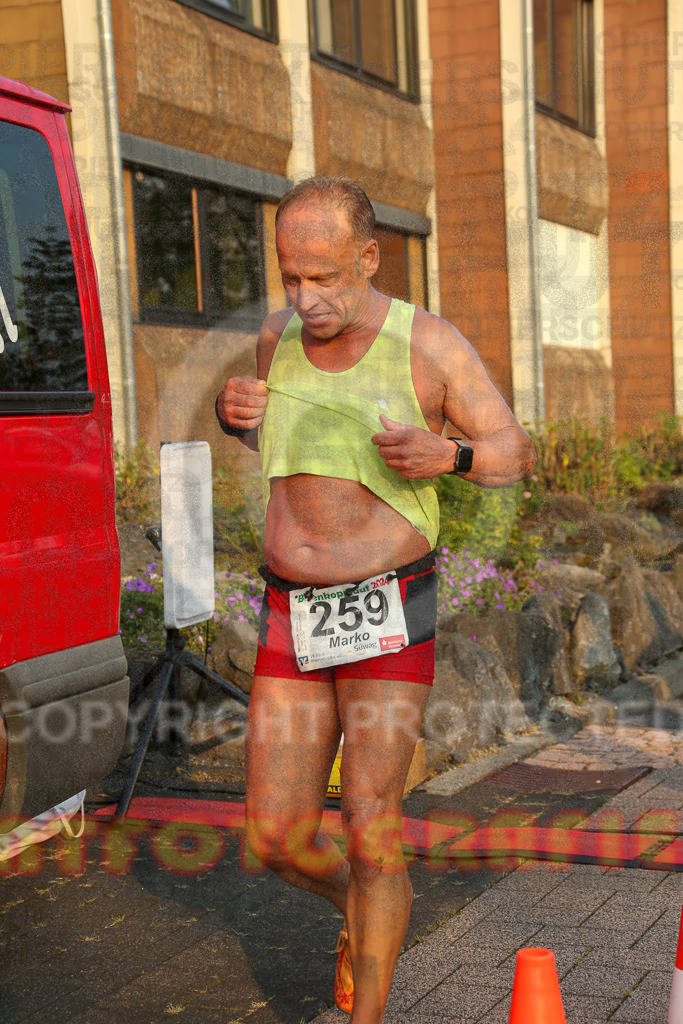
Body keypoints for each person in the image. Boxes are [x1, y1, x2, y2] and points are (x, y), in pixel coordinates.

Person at [216, 175, 536, 1024]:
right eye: (290, 276)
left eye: (324, 277)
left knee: (368, 823)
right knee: (276, 836)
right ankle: (360, 915)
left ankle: (371, 1010)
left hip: (390, 605)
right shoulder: (274, 335)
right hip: (291, 609)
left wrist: (453, 457)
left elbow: (512, 446)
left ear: (368, 257)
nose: (304, 297)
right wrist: (231, 413)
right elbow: (277, 429)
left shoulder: (428, 343)